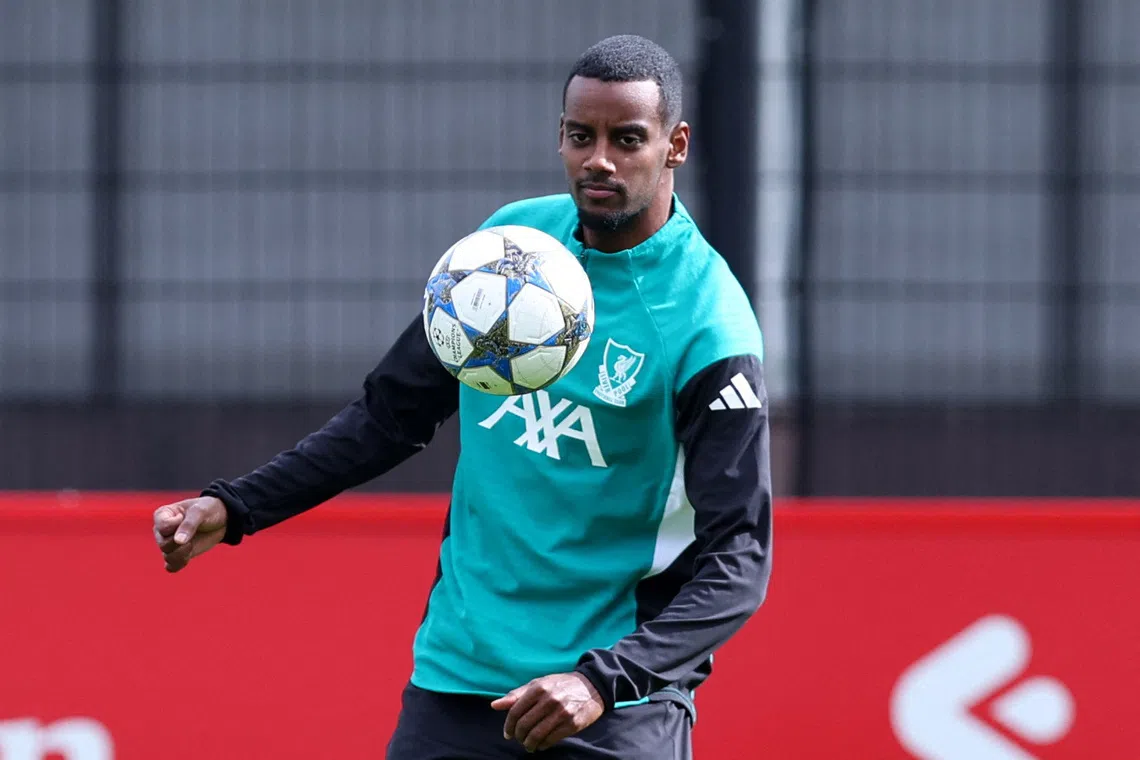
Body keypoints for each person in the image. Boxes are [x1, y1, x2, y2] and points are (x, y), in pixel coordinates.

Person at [153, 34, 772, 759]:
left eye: (626, 139)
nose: (598, 159)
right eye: (581, 136)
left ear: (676, 145)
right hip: (459, 679)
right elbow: (389, 417)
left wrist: (606, 679)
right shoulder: (507, 253)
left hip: (612, 703)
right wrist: (236, 508)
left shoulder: (707, 324)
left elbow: (739, 557)